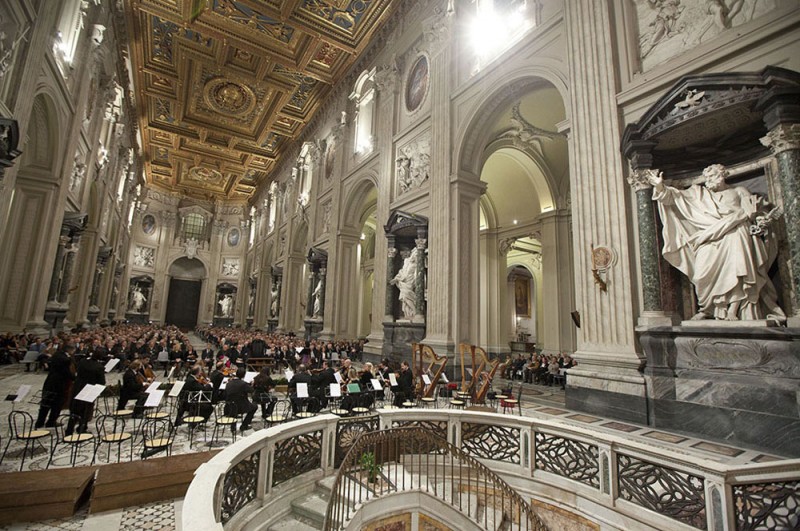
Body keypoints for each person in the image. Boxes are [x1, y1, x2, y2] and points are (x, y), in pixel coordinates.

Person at [649, 164, 786, 322]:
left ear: (722, 176)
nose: (709, 181)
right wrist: (659, 186)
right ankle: (707, 308)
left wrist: (761, 220)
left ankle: (733, 310)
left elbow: (753, 212)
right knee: (701, 274)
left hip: (736, 233)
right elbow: (674, 197)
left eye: (712, 176)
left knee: (739, 269)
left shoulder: (739, 192)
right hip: (708, 237)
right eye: (707, 178)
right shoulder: (699, 194)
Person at [35, 344, 76, 429]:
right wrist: (75, 378)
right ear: (69, 350)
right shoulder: (65, 360)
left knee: (45, 404)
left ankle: (39, 422)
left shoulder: (57, 355)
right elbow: (67, 373)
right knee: (57, 404)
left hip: (49, 382)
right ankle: (51, 421)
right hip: (59, 385)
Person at [224, 366, 257, 432]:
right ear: (244, 375)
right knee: (254, 407)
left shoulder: (229, 383)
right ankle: (244, 426)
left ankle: (233, 427)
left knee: (234, 405)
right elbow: (251, 390)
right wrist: (252, 384)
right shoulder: (243, 384)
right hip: (241, 407)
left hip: (229, 406)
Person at [390, 248, 420, 319]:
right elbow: (402, 271)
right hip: (404, 282)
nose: (416, 256)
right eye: (415, 254)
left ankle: (415, 312)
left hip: (411, 282)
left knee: (407, 297)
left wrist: (416, 280)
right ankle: (409, 313)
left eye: (417, 255)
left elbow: (418, 274)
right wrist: (396, 279)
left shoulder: (417, 264)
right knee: (404, 297)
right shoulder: (407, 261)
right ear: (412, 254)